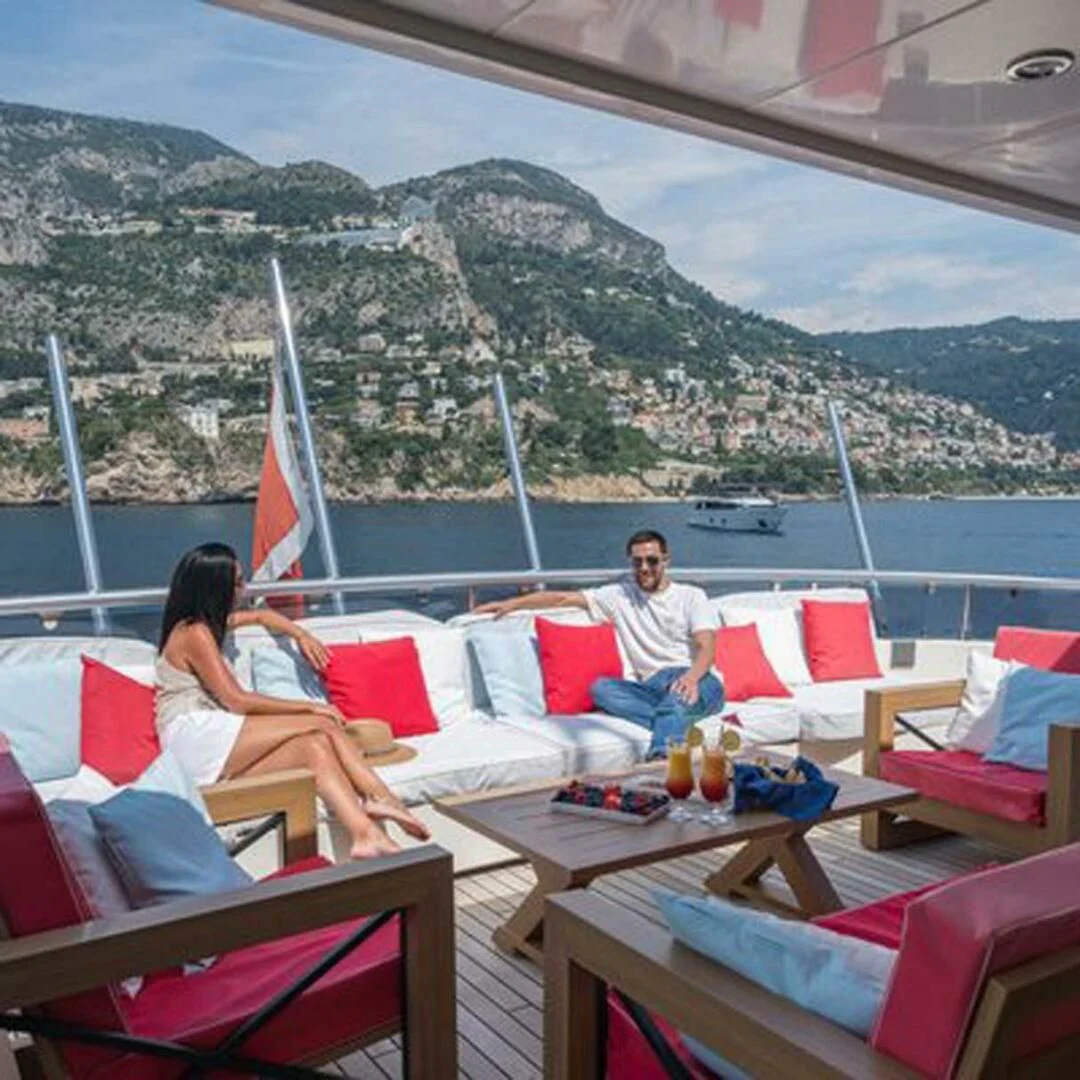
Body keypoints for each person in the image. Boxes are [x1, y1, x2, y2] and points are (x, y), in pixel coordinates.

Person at [156, 542, 430, 859]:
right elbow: (236, 701)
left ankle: (363, 833)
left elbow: (261, 615)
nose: (243, 588)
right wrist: (308, 706)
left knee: (313, 748)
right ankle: (380, 796)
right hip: (194, 734)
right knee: (322, 722)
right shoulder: (195, 632)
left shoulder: (207, 624)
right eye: (237, 582)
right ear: (214, 587)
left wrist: (300, 634)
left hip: (213, 737)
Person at [475, 529, 722, 757]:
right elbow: (563, 599)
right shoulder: (619, 596)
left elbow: (706, 646)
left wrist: (690, 678)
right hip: (650, 687)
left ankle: (660, 758)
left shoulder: (691, 596)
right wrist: (512, 604)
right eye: (637, 562)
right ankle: (673, 720)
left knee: (676, 703)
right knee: (601, 689)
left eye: (652, 560)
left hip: (697, 679)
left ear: (666, 561)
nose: (644, 568)